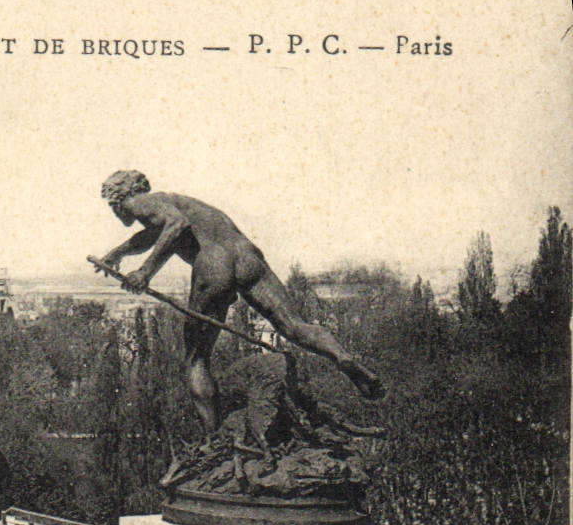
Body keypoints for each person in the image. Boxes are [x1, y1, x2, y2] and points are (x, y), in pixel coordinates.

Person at [97, 170, 383, 431]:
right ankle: (342, 357)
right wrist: (118, 252)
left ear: (120, 197)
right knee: (294, 326)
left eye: (113, 205)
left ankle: (213, 438)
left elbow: (175, 225)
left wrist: (146, 272)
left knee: (196, 359)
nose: (116, 212)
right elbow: (153, 233)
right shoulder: (174, 202)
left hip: (214, 262)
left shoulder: (141, 202)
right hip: (247, 256)